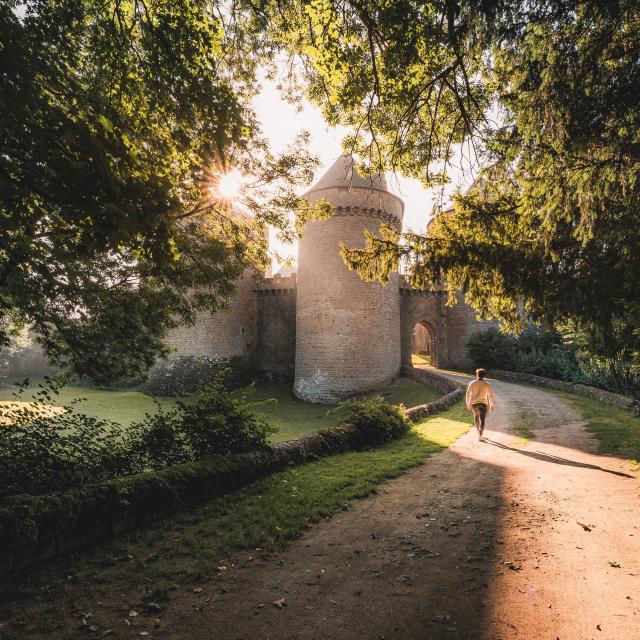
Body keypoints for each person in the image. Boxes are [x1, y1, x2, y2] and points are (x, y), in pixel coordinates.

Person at [466, 368, 494, 441]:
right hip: (483, 404)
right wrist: (491, 405)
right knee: (482, 419)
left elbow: (468, 395)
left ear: (477, 374)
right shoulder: (487, 384)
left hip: (474, 404)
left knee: (476, 416)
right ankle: (481, 435)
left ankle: (478, 433)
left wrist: (468, 404)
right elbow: (490, 396)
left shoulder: (472, 383)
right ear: (484, 375)